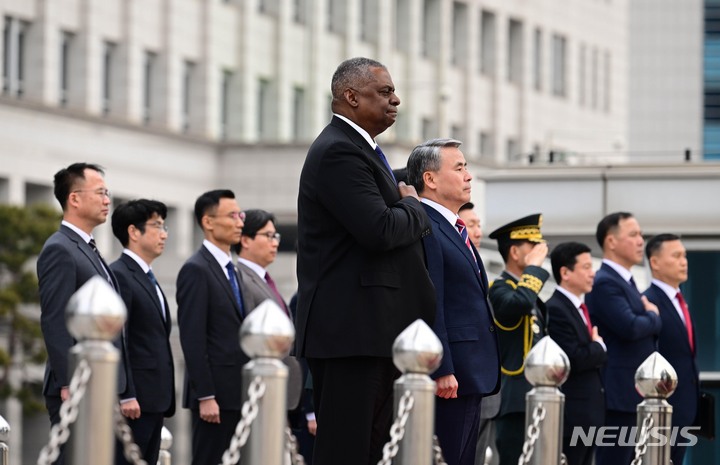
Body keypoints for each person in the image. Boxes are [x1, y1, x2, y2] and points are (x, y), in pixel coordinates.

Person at [295, 57, 436, 465]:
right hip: (351, 333)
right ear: (351, 97)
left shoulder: (362, 150)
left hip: (373, 331)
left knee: (375, 450)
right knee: (347, 449)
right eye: (385, 92)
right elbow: (379, 229)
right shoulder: (339, 151)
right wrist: (415, 207)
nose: (396, 100)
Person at [406, 138, 500, 465]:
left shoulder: (454, 227)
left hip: (470, 370)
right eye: (459, 168)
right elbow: (430, 297)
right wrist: (442, 366)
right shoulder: (425, 224)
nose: (468, 176)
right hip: (451, 375)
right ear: (430, 179)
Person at [37, 162, 129, 465]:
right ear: (74, 198)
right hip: (76, 385)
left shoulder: (87, 248)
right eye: (100, 193)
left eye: (108, 193)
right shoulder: (60, 248)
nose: (107, 201)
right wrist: (68, 381)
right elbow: (54, 318)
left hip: (98, 382)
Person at [176, 189, 247, 465]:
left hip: (237, 394)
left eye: (240, 215)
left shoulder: (233, 269)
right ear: (208, 222)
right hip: (214, 398)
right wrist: (206, 395)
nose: (240, 221)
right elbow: (192, 338)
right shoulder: (196, 269)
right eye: (232, 215)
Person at [585, 212, 661, 465]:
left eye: (640, 234)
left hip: (633, 394)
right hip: (619, 395)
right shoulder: (605, 282)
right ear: (611, 241)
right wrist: (653, 316)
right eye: (633, 234)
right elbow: (629, 327)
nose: (641, 241)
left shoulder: (626, 281)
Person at [110, 199, 175, 465]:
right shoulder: (120, 274)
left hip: (154, 398)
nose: (164, 233)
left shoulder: (148, 275)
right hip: (135, 401)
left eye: (165, 226)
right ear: (133, 232)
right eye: (156, 226)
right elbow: (119, 337)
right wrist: (126, 393)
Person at [487, 213, 549, 465]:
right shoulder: (499, 288)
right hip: (514, 398)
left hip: (538, 394)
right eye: (533, 246)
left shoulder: (530, 293)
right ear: (514, 251)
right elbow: (518, 304)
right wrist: (534, 268)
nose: (541, 250)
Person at [232, 208, 302, 414]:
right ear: (245, 240)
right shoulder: (240, 279)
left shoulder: (264, 280)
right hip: (260, 388)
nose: (275, 242)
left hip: (279, 390)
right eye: (268, 236)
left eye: (276, 236)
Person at [547, 242, 606, 465]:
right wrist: (599, 347)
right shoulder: (556, 308)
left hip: (588, 414)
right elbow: (573, 358)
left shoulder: (580, 307)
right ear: (565, 272)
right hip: (572, 416)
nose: (593, 273)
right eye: (586, 267)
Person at [643, 234, 698, 465]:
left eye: (684, 255)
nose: (683, 261)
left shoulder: (680, 300)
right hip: (663, 408)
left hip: (686, 405)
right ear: (654, 263)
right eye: (676, 256)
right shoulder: (647, 301)